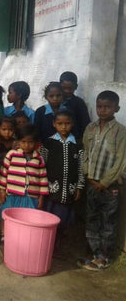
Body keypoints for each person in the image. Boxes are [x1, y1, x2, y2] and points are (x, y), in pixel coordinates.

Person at [79, 91, 126, 270]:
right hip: (92, 183)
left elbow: (121, 161)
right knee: (91, 219)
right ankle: (93, 252)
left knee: (108, 222)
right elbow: (85, 153)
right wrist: (88, 175)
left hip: (109, 186)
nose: (103, 110)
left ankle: (104, 256)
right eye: (99, 106)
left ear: (116, 108)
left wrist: (104, 182)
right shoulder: (90, 128)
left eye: (107, 107)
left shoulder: (120, 131)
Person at [41, 110, 84, 256]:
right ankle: (48, 245)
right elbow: (42, 165)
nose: (64, 127)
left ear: (72, 124)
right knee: (49, 219)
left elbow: (81, 167)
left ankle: (58, 246)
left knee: (64, 221)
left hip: (69, 190)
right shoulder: (49, 143)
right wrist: (42, 185)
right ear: (54, 124)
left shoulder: (77, 145)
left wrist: (79, 187)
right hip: (51, 190)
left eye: (67, 123)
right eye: (60, 124)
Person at [0, 124, 49, 237]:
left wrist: (41, 197)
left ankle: (24, 237)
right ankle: (5, 235)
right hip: (12, 194)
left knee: (29, 219)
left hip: (31, 196)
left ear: (36, 143)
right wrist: (2, 191)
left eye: (30, 142)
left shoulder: (38, 159)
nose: (26, 145)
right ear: (18, 141)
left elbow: (43, 179)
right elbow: (3, 173)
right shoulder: (11, 155)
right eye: (23, 141)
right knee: (7, 215)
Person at [0, 116, 17, 240]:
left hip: (13, 181)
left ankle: (4, 233)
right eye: (4, 129)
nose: (7, 132)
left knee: (7, 209)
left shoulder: (17, 144)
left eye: (10, 129)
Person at [60, 71, 91, 142]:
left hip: (74, 140)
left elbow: (85, 124)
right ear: (60, 86)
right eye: (64, 88)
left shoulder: (79, 103)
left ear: (76, 87)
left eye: (70, 88)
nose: (67, 91)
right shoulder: (55, 102)